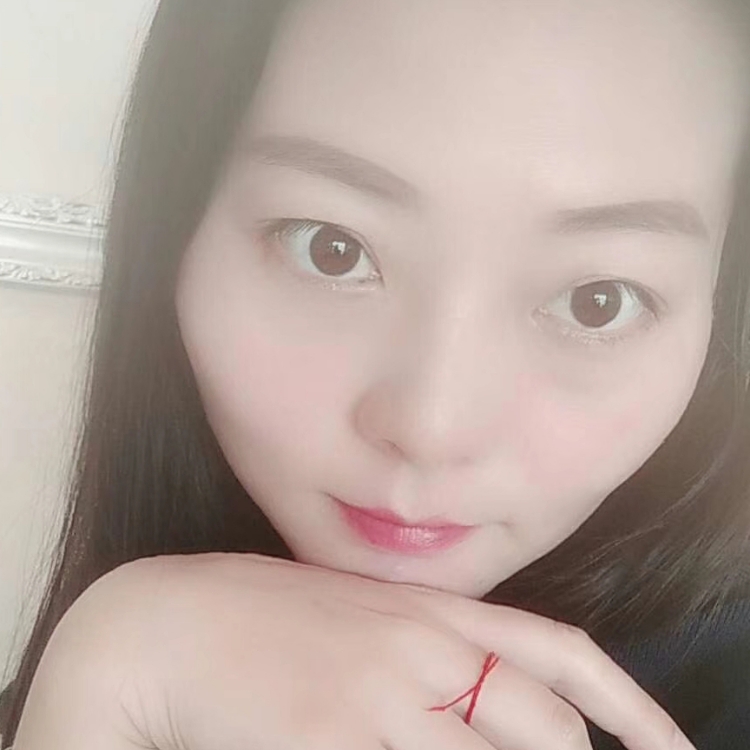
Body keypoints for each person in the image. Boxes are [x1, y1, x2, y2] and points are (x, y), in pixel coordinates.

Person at [2, 0, 749, 747]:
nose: (431, 428)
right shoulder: (80, 685)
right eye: (332, 250)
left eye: (597, 302)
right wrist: (109, 675)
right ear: (178, 234)